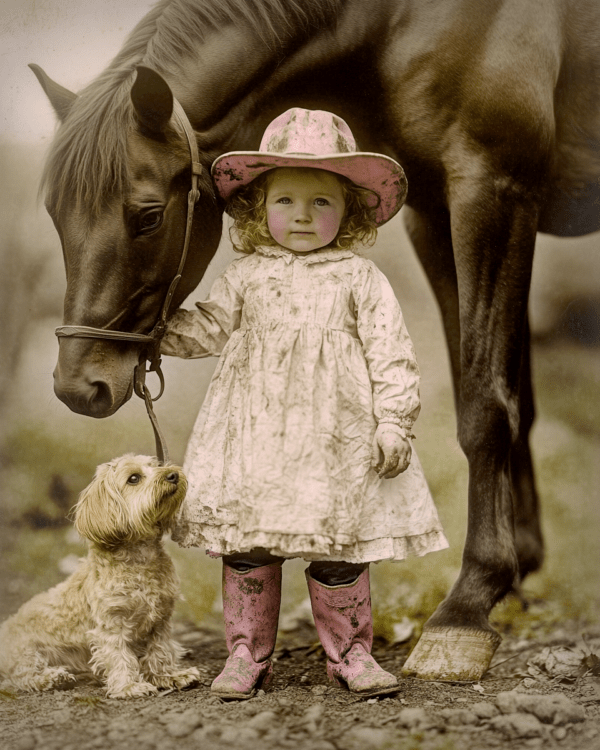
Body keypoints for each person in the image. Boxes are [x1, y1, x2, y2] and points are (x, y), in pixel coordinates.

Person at [161, 108, 448, 700]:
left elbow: (391, 353)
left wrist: (393, 422)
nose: (301, 215)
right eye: (285, 200)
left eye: (321, 202)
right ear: (258, 209)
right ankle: (245, 653)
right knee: (247, 545)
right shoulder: (246, 275)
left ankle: (350, 654)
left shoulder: (359, 277)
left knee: (338, 545)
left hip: (333, 440)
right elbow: (209, 329)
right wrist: (156, 332)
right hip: (255, 433)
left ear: (347, 212)